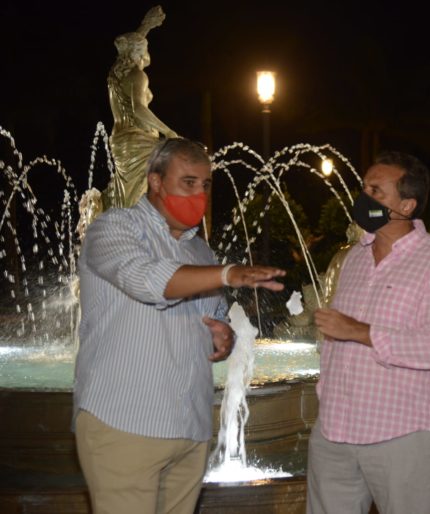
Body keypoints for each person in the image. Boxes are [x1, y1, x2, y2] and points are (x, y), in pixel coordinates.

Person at [73, 138, 286, 514]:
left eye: (205, 185)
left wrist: (224, 333)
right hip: (126, 421)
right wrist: (227, 273)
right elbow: (147, 280)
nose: (199, 194)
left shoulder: (198, 250)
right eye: (188, 182)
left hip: (190, 426)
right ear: (156, 182)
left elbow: (213, 315)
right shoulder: (113, 229)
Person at [307, 151, 430, 514]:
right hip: (334, 431)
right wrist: (325, 398)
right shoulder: (355, 258)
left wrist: (361, 331)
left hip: (400, 434)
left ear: (406, 205)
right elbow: (335, 342)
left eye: (376, 191)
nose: (363, 198)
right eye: (364, 187)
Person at [102, 6, 179, 210]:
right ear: (139, 52)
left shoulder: (116, 75)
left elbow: (127, 48)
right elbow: (139, 109)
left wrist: (146, 27)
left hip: (122, 141)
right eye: (145, 47)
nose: (148, 50)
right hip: (139, 141)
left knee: (129, 193)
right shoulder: (138, 75)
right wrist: (168, 131)